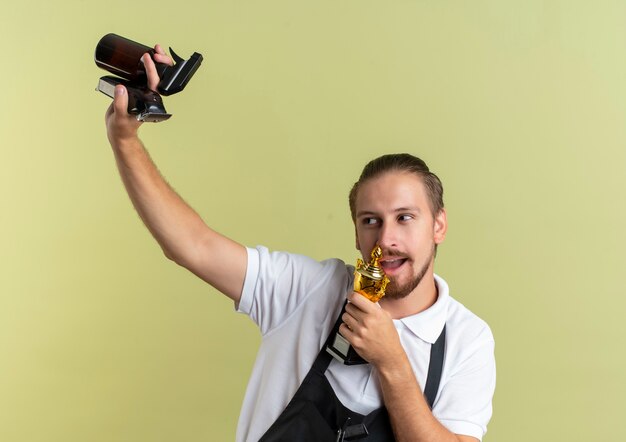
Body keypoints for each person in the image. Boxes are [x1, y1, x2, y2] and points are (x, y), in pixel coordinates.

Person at [104, 45, 496, 442]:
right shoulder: (309, 291)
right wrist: (125, 139)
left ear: (439, 226)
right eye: (370, 221)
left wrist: (391, 360)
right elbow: (192, 245)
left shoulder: (467, 340)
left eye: (405, 217)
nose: (386, 239)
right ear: (356, 232)